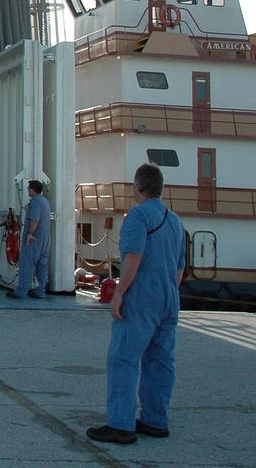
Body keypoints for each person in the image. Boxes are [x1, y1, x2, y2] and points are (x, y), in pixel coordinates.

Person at [87, 162, 186, 445]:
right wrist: (170, 293)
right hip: (169, 297)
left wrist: (119, 293)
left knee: (123, 359)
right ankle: (156, 420)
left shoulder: (138, 217)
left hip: (143, 297)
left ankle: (120, 424)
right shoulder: (174, 220)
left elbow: (133, 257)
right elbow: (180, 267)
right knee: (160, 360)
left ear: (138, 187)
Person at [8, 180, 51, 299]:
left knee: (27, 263)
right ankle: (40, 290)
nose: (27, 190)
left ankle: (21, 291)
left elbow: (34, 220)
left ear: (32, 189)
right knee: (42, 264)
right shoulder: (45, 201)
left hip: (34, 239)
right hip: (45, 238)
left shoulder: (35, 202)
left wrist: (30, 234)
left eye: (28, 188)